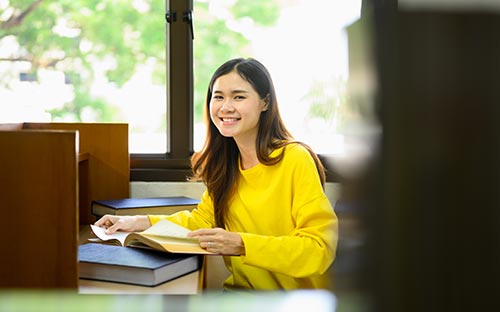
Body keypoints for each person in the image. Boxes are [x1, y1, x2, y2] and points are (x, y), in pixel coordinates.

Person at [95, 58, 338, 290]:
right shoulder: (226, 163)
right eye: (218, 96)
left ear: (265, 103)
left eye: (239, 97)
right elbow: (202, 221)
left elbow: (319, 250)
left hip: (293, 302)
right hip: (241, 295)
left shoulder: (293, 158)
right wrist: (136, 222)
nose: (225, 107)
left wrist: (241, 244)